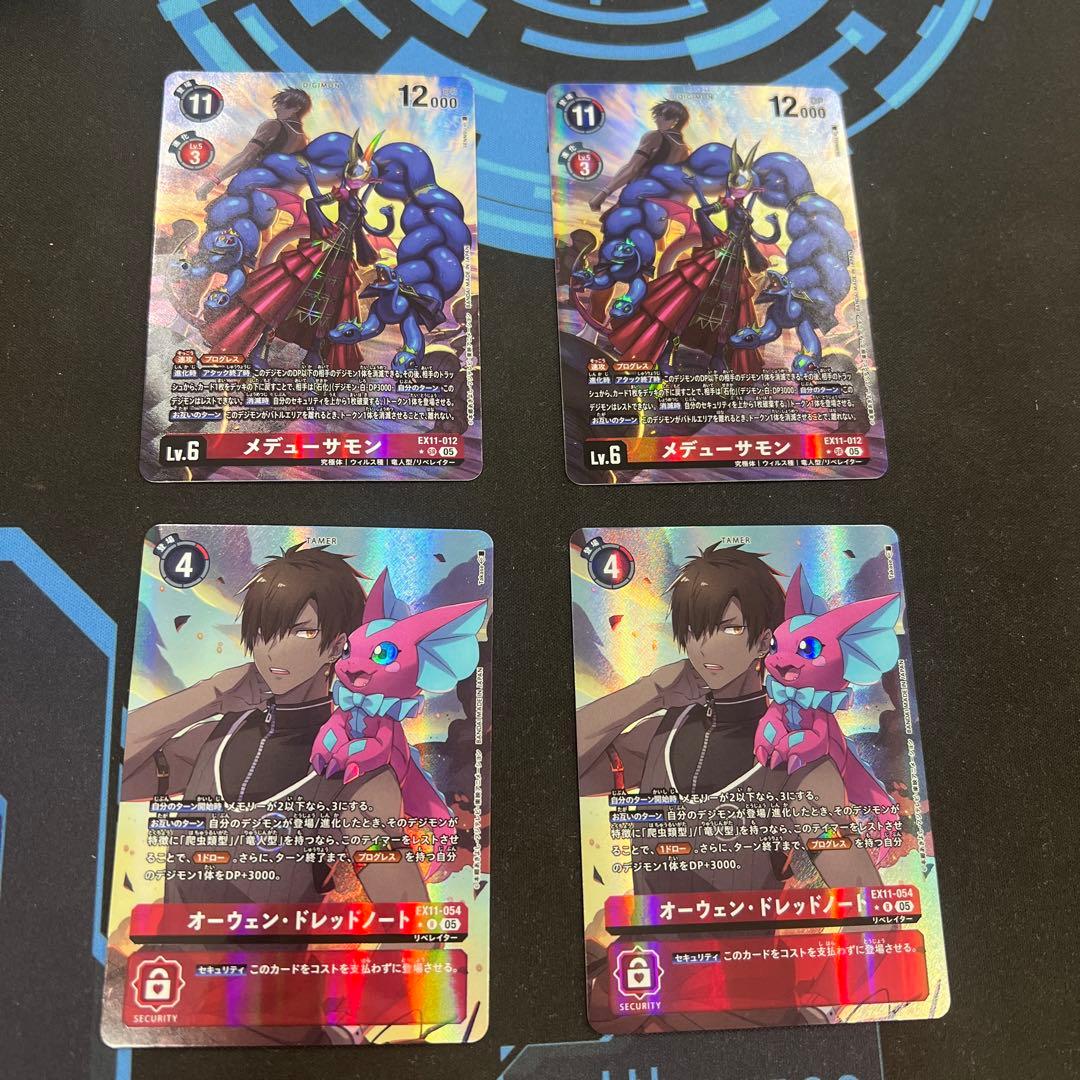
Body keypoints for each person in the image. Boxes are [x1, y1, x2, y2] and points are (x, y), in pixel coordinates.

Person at [123, 542, 432, 904]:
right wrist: (210, 694)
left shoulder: (353, 765)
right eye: (263, 630)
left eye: (301, 631)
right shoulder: (215, 739)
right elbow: (110, 770)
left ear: (338, 647)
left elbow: (409, 910)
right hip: (176, 942)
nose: (273, 649)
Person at [577, 543, 882, 894]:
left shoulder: (794, 753)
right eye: (694, 629)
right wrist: (650, 690)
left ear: (765, 641)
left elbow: (867, 894)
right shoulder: (662, 733)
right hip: (650, 932)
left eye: (729, 628)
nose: (705, 646)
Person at [194, 86, 312, 202]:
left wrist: (211, 182)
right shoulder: (305, 140)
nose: (276, 109)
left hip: (246, 189)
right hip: (271, 201)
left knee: (217, 213)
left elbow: (247, 156)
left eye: (281, 104)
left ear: (296, 108)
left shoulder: (274, 125)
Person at [587, 99, 691, 213]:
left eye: (661, 115)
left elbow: (632, 168)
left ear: (675, 120)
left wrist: (603, 193)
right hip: (661, 209)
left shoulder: (655, 136)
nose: (656, 119)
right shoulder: (686, 150)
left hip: (636, 198)